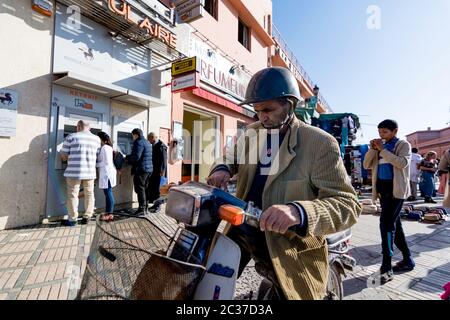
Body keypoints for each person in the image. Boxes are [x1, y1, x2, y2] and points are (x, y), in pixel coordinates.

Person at [207, 67, 361, 300]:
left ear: (290, 104)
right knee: (206, 282)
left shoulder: (319, 143)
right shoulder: (251, 133)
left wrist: (298, 212)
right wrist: (221, 169)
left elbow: (347, 204)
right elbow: (230, 158)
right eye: (257, 110)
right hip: (242, 229)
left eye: (268, 109)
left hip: (287, 243)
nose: (261, 117)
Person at [363, 120, 415, 284]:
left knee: (386, 224)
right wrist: (373, 149)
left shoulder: (402, 144)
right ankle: (408, 260)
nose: (381, 135)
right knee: (395, 225)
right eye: (379, 132)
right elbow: (366, 164)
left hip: (396, 191)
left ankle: (387, 266)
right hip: (383, 190)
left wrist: (383, 149)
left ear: (394, 131)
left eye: (385, 132)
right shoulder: (379, 146)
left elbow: (402, 163)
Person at [60, 120, 101, 226]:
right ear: (89, 128)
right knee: (89, 194)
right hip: (90, 172)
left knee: (73, 195)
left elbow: (63, 156)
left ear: (78, 127)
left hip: (74, 172)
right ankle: (87, 216)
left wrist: (71, 157)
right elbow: (97, 156)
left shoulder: (71, 137)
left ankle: (73, 219)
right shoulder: (96, 139)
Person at [127, 128, 152, 215]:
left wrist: (127, 159)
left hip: (141, 169)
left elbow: (136, 157)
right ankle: (145, 208)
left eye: (132, 136)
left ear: (135, 135)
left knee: (140, 189)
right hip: (148, 169)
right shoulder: (147, 142)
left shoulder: (138, 142)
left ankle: (141, 209)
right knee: (145, 189)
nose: (132, 137)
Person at [97, 132, 117, 221]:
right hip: (108, 172)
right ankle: (108, 212)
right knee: (108, 193)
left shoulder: (105, 148)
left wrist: (95, 163)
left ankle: (110, 214)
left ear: (102, 139)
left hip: (107, 173)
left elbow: (106, 162)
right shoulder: (109, 147)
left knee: (108, 193)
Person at [146, 132, 168, 213]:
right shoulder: (154, 145)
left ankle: (158, 206)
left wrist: (162, 171)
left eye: (149, 139)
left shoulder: (161, 146)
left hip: (159, 172)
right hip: (154, 171)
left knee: (158, 190)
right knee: (154, 189)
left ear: (153, 137)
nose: (149, 141)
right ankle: (155, 204)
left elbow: (164, 159)